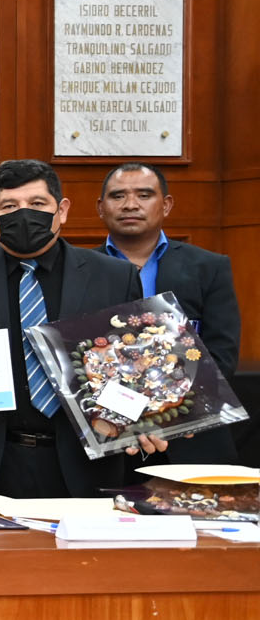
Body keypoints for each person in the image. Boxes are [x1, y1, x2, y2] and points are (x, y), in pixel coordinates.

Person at [0, 160, 145, 498]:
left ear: (62, 210)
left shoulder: (114, 276)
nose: (24, 215)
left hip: (83, 466)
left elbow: (138, 365)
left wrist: (150, 419)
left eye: (38, 204)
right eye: (9, 207)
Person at [97, 162, 241, 464]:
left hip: (193, 435)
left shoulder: (209, 267)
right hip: (111, 440)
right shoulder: (79, 269)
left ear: (166, 205)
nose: (130, 204)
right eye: (118, 196)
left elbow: (222, 354)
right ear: (101, 207)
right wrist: (129, 417)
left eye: (144, 195)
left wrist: (161, 415)